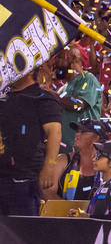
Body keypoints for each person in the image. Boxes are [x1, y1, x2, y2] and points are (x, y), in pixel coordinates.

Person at [0, 71, 62, 216]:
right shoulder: (4, 99)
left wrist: (49, 167)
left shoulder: (42, 98)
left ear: (29, 71)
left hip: (24, 178)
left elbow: (54, 132)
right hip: (2, 174)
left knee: (22, 231)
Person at [55, 47, 102, 154]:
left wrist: (53, 96)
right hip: (63, 153)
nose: (56, 62)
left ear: (74, 60)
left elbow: (78, 104)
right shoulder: (63, 88)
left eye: (60, 58)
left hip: (82, 153)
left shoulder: (88, 79)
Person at [55, 119, 108, 201]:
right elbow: (47, 191)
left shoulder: (109, 164)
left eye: (83, 132)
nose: (77, 135)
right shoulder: (63, 160)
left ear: (96, 138)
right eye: (77, 131)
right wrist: (66, 209)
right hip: (62, 212)